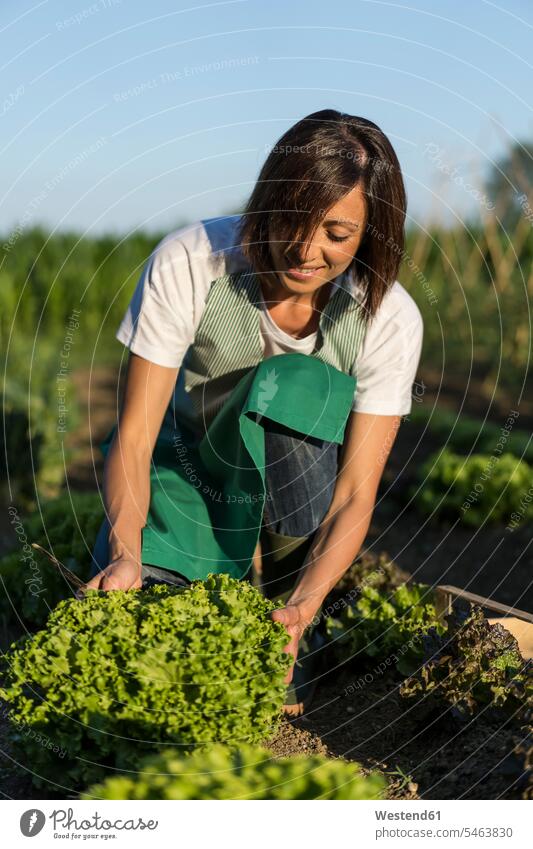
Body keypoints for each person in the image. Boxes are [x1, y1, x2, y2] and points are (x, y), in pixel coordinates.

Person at [86, 108, 424, 715]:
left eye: (337, 235)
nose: (306, 249)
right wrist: (125, 552)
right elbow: (134, 438)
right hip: (185, 476)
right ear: (265, 200)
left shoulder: (388, 318)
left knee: (292, 383)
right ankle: (182, 560)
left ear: (371, 233)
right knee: (151, 652)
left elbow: (354, 492)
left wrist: (306, 603)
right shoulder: (192, 262)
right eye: (291, 218)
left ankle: (284, 602)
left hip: (299, 494)